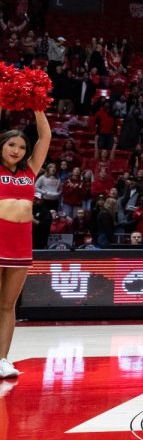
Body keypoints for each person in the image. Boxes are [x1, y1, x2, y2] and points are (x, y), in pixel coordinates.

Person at [0, 111, 51, 380]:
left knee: (8, 305)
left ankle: (3, 359)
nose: (17, 150)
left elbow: (45, 136)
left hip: (20, 243)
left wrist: (37, 106)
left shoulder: (29, 170)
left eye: (21, 147)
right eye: (11, 145)